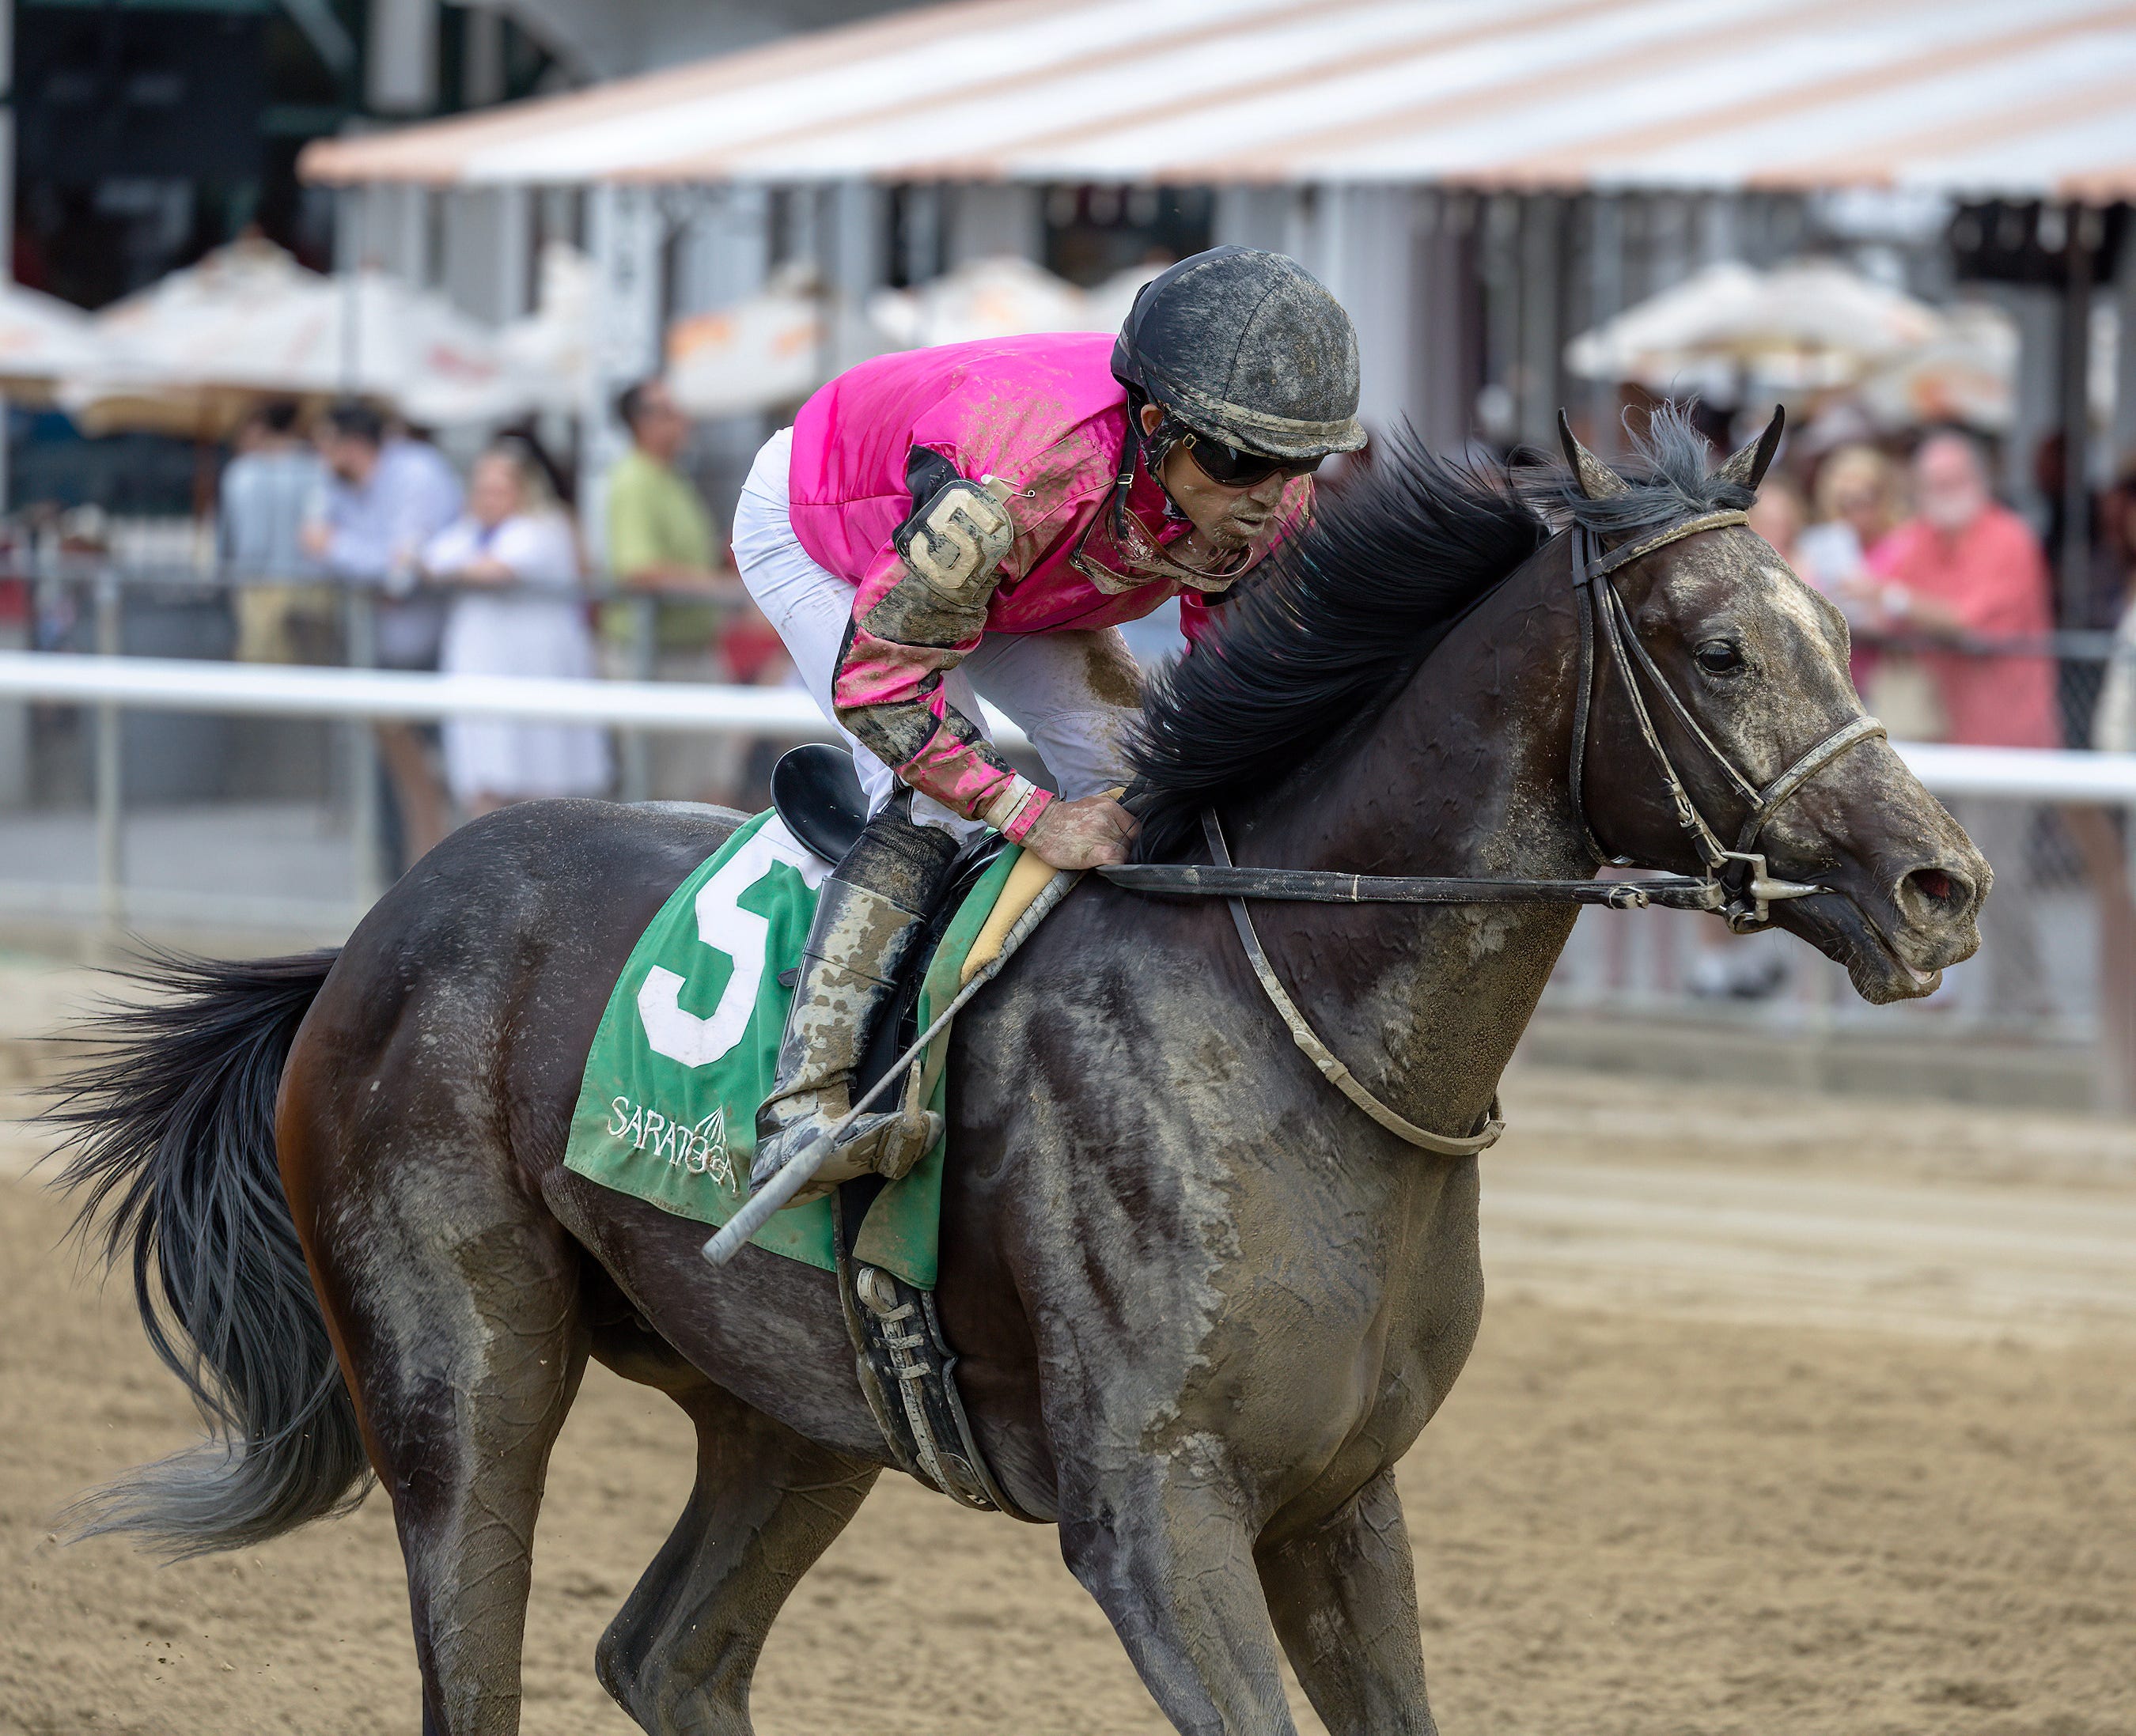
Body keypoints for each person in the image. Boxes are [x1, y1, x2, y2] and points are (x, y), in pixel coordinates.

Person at [733, 244, 1362, 1192]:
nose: (1268, 495)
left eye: (1294, 462)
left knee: (1134, 779)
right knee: (940, 799)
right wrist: (1032, 814)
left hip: (1029, 577)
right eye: (1239, 462)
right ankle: (807, 1105)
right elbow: (880, 687)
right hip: (832, 532)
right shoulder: (1011, 483)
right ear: (1156, 423)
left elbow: (1229, 690)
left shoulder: (1266, 497)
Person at [1864, 429, 2058, 1018]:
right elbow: (1880, 593)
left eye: (1952, 481)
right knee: (1935, 877)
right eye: (1931, 484)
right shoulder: (1925, 538)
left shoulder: (2009, 540)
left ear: (1978, 482)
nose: (1941, 494)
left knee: (1997, 878)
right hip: (1942, 736)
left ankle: (2025, 1001)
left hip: (2006, 743)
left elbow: (1971, 624)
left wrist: (1894, 599)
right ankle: (1953, 997)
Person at [302, 403, 464, 866]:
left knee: (436, 777)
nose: (320, 457)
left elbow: (401, 574)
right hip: (384, 648)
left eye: (326, 445)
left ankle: (435, 873)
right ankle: (401, 872)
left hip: (434, 649)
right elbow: (320, 549)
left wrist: (338, 548)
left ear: (350, 444)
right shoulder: (341, 484)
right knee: (398, 779)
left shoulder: (417, 474)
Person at [422, 443, 611, 816]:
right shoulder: (471, 532)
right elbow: (433, 558)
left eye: (498, 490)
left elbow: (498, 569)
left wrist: (447, 568)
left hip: (537, 669)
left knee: (541, 783)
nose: (487, 500)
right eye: (481, 490)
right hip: (482, 670)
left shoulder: (544, 527)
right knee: (483, 774)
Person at [602, 376, 746, 801]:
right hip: (656, 658)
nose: (684, 421)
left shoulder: (666, 477)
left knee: (702, 782)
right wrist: (722, 589)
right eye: (670, 411)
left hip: (685, 653)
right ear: (642, 422)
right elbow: (637, 569)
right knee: (670, 795)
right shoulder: (635, 480)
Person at [218, 400, 334, 664]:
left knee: (262, 676)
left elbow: (228, 539)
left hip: (258, 586)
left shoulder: (241, 473)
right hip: (315, 586)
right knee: (315, 671)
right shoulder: (319, 470)